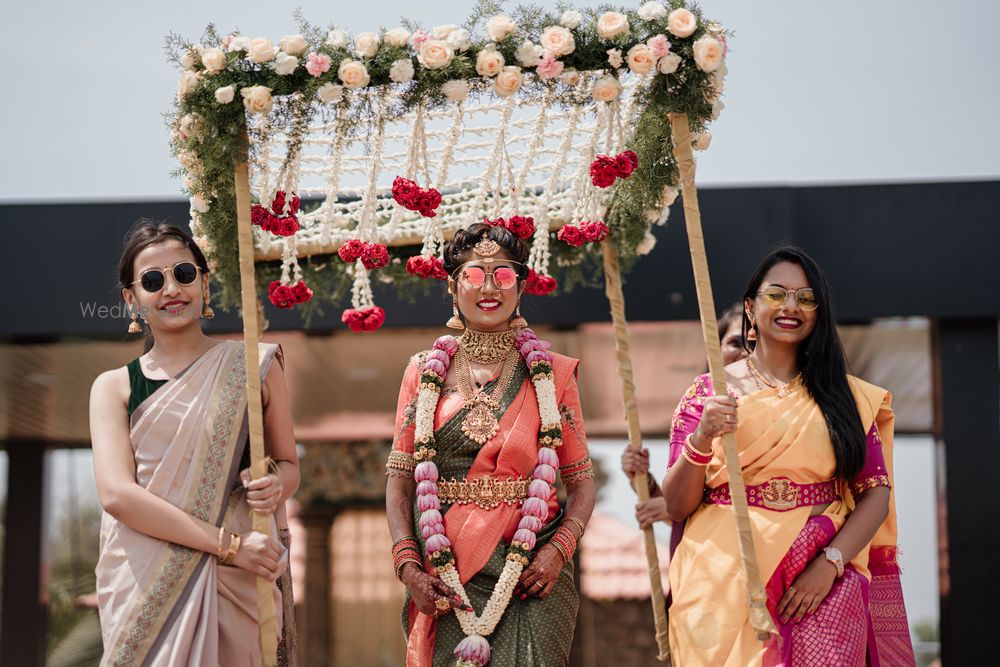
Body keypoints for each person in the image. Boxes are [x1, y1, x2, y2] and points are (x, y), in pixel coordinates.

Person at [662, 246, 914, 665]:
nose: (791, 307)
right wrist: (704, 436)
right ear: (750, 306)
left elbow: (875, 493)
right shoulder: (709, 393)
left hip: (821, 578)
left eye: (807, 297)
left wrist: (830, 564)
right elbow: (677, 503)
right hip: (723, 576)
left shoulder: (846, 397)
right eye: (777, 294)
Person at [385, 222, 596, 666]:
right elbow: (401, 483)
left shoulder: (552, 373)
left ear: (520, 286)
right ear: (451, 285)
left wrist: (557, 553)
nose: (489, 288)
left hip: (531, 571)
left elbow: (581, 484)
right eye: (474, 275)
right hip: (445, 572)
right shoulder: (424, 372)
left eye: (502, 276)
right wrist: (409, 568)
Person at [89, 221, 300, 666]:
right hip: (148, 579)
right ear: (132, 299)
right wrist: (230, 546)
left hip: (235, 583)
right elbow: (117, 495)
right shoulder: (114, 388)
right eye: (152, 280)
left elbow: (287, 463)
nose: (171, 289)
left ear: (204, 282)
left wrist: (275, 484)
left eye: (183, 274)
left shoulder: (253, 365)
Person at [620, 302, 748, 530]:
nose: (746, 352)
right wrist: (646, 485)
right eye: (735, 342)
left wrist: (669, 508)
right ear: (714, 351)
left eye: (756, 343)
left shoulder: (789, 408)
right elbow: (680, 507)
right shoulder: (694, 408)